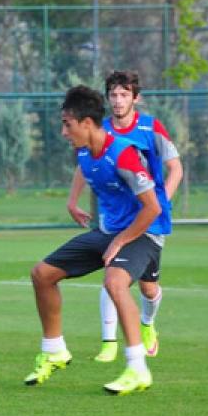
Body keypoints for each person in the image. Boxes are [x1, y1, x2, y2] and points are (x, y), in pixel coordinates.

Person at [26, 85, 163, 395]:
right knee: (42, 275)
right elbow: (84, 168)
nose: (63, 132)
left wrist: (121, 241)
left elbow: (152, 208)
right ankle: (54, 349)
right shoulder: (86, 152)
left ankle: (137, 368)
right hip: (109, 233)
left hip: (144, 232)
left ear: (87, 123)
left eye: (67, 123)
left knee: (114, 283)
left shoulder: (124, 154)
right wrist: (72, 201)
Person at [66, 70, 182, 362]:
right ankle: (108, 342)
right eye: (113, 95)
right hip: (114, 220)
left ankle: (147, 323)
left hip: (149, 220)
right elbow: (83, 163)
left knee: (149, 287)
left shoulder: (150, 128)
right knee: (112, 274)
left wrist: (160, 201)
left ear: (135, 97)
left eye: (124, 95)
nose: (118, 101)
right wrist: (73, 200)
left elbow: (175, 168)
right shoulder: (100, 129)